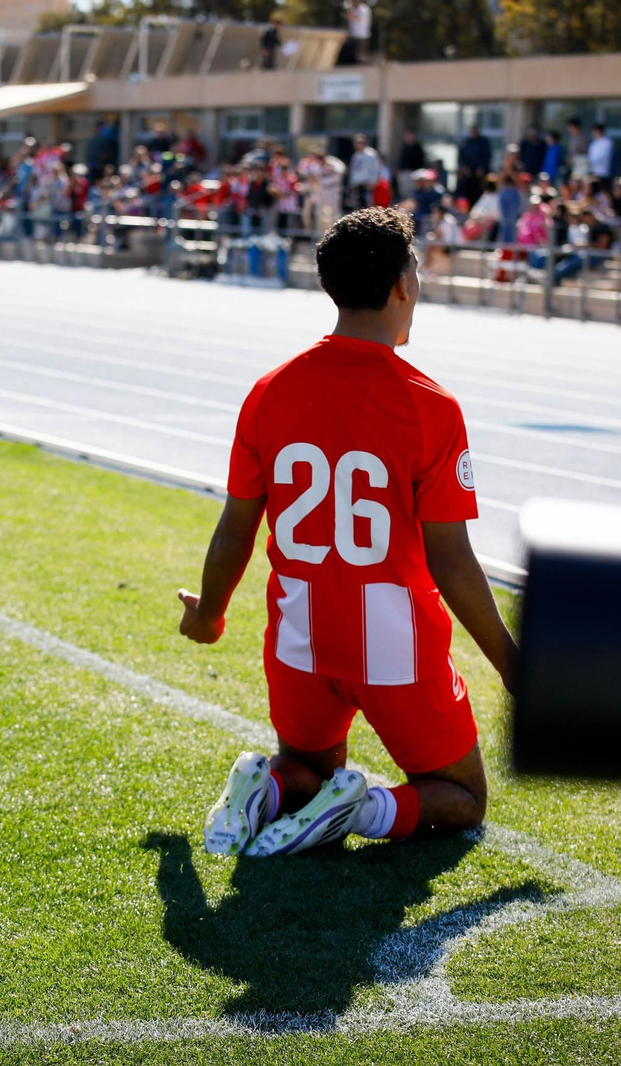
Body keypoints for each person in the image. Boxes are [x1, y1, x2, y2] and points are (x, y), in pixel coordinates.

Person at [179, 207, 515, 857]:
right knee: (463, 798)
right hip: (393, 640)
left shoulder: (270, 390)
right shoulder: (431, 405)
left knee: (305, 769)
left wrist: (211, 616)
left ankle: (268, 790)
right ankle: (361, 806)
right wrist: (510, 664)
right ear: (401, 287)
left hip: (301, 633)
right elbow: (451, 560)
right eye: (416, 269)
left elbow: (236, 527)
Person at [347, 134, 382, 211]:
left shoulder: (370, 154)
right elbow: (354, 169)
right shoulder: (356, 155)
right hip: (358, 183)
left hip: (367, 183)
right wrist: (352, 182)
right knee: (358, 204)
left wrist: (373, 181)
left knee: (367, 203)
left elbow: (375, 168)